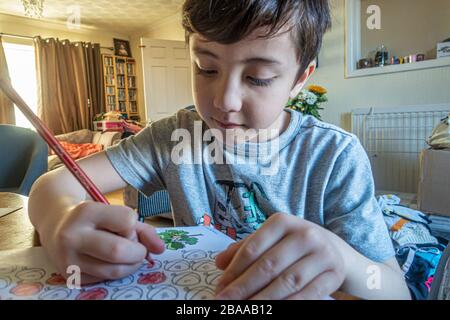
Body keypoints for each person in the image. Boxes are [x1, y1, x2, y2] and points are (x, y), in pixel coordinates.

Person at [28, 0, 411, 300]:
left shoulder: (335, 155)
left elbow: (394, 289)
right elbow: (53, 185)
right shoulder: (174, 136)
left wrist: (343, 260)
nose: (224, 101)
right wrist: (59, 221)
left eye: (258, 78)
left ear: (299, 79)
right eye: (206, 68)